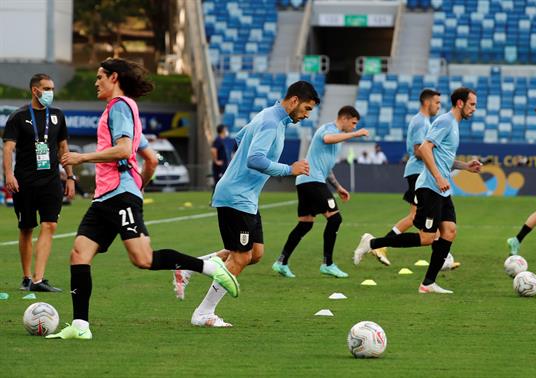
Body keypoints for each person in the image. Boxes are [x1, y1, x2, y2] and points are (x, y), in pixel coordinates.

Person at [46, 58, 239, 340]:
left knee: (143, 259)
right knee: (79, 254)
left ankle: (210, 267)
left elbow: (125, 150)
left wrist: (83, 157)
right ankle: (80, 325)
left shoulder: (121, 107)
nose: (96, 81)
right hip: (107, 197)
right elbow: (149, 159)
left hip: (118, 195)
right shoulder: (122, 110)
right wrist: (140, 186)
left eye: (100, 76)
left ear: (114, 78)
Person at [173, 81, 320, 327]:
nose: (306, 115)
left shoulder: (271, 117)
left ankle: (187, 266)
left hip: (247, 198)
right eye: (306, 108)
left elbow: (239, 140)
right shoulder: (272, 122)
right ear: (294, 101)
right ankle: (203, 313)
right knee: (240, 257)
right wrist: (289, 169)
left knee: (256, 254)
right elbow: (254, 158)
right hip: (236, 197)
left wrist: (239, 171)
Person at [353, 87, 481, 294]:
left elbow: (443, 158)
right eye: (472, 104)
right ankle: (372, 242)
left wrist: (466, 166)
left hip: (442, 189)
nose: (475, 109)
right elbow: (423, 149)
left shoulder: (454, 125)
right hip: (430, 187)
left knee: (449, 232)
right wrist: (439, 177)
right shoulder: (445, 121)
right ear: (460, 103)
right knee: (427, 238)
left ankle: (428, 283)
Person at [272, 105, 368, 278]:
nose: (354, 127)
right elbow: (328, 139)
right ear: (344, 118)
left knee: (305, 224)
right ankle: (327, 264)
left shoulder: (337, 139)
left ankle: (281, 262)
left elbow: (326, 168)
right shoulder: (327, 129)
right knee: (335, 218)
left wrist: (338, 187)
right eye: (353, 123)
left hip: (307, 180)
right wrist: (355, 134)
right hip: (311, 181)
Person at [3, 73, 75, 292]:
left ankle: (38, 279)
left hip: (51, 180)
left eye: (52, 88)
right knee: (26, 228)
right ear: (35, 91)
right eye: (47, 88)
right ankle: (26, 277)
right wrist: (8, 174)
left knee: (50, 224)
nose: (50, 93)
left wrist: (70, 176)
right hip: (24, 181)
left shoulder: (58, 116)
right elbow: (8, 148)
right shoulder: (18, 116)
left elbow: (64, 148)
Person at [370, 89, 443, 266]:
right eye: (437, 103)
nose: (439, 107)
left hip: (419, 172)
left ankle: (443, 257)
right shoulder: (421, 122)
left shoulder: (424, 121)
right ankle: (380, 244)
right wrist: (435, 157)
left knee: (429, 215)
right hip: (419, 173)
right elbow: (419, 151)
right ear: (427, 103)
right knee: (417, 216)